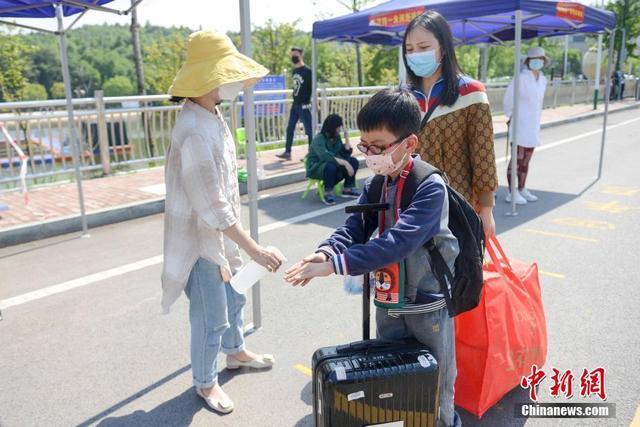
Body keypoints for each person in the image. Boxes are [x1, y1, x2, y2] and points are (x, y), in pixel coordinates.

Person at [285, 87, 461, 427]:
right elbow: (355, 226)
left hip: (427, 304)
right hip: (388, 298)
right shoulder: (377, 182)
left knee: (435, 381)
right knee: (392, 378)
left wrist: (334, 266)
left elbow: (397, 243)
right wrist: (324, 251)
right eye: (365, 146)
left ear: (409, 143)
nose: (370, 155)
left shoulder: (430, 186)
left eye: (378, 148)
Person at [162, 30, 284, 414]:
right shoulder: (195, 129)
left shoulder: (210, 114)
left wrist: (243, 245)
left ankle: (236, 352)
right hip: (201, 242)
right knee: (210, 316)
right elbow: (211, 206)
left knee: (235, 297)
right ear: (210, 77)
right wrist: (255, 248)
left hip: (223, 237)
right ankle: (205, 382)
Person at [403, 10, 497, 237]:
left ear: (443, 48)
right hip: (410, 208)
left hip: (460, 206)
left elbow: (483, 154)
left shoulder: (471, 93)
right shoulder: (403, 97)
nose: (416, 54)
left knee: (459, 270)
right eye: (409, 50)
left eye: (424, 48)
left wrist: (486, 210)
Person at [503, 46, 549, 204]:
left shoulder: (543, 79)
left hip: (533, 125)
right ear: (529, 61)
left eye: (540, 59)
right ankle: (511, 192)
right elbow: (508, 100)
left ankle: (522, 188)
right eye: (534, 59)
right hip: (519, 124)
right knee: (517, 159)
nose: (538, 62)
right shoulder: (520, 78)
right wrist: (510, 116)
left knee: (526, 160)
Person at [305, 113, 360, 205]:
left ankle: (347, 189)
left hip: (332, 165)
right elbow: (325, 157)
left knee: (353, 161)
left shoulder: (336, 138)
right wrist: (345, 163)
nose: (340, 129)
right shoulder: (319, 139)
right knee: (331, 166)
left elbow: (344, 153)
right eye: (338, 127)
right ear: (332, 127)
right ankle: (328, 193)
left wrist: (346, 138)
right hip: (317, 167)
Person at [276, 46, 313, 161]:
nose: (293, 57)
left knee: (309, 130)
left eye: (295, 55)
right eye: (292, 55)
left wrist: (314, 103)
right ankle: (288, 152)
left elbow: (313, 87)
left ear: (301, 55)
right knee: (290, 128)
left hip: (305, 104)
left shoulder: (308, 71)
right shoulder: (294, 71)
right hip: (295, 104)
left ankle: (311, 154)